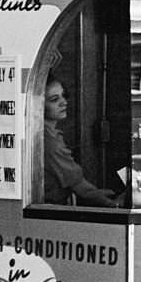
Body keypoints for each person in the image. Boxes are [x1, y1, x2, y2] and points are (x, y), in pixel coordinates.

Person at [43, 76, 119, 207]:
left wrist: (98, 193)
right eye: (54, 99)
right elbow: (77, 184)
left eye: (64, 95)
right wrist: (113, 205)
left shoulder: (47, 134)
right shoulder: (50, 142)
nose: (64, 102)